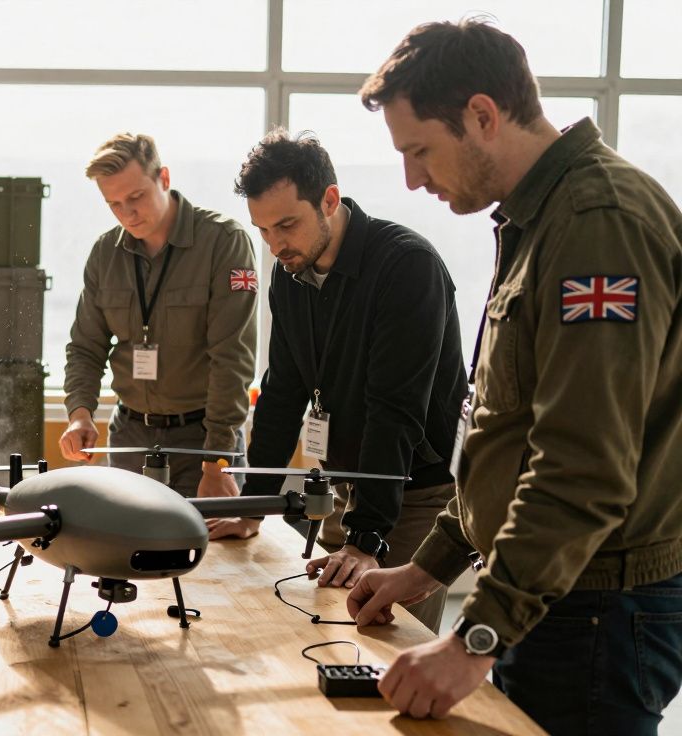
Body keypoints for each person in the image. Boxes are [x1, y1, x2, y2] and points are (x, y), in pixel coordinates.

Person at [350, 19, 682, 730]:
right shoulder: (544, 217)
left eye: (419, 151)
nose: (412, 179)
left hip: (594, 610)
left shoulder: (597, 222)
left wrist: (475, 638)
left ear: (482, 116)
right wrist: (428, 566)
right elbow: (510, 434)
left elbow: (582, 467)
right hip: (553, 593)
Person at [229, 129, 467, 633]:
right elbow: (283, 390)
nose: (275, 245)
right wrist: (254, 504)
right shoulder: (290, 272)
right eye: (263, 230)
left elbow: (395, 409)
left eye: (286, 225)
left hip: (417, 491)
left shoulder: (407, 266)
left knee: (384, 639)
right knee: (326, 633)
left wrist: (367, 538)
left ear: (329, 200)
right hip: (351, 488)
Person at [60, 132, 258, 505]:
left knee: (211, 543)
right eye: (114, 204)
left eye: (136, 197)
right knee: (123, 541)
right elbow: (86, 347)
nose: (127, 213)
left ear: (163, 178)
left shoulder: (223, 242)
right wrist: (80, 414)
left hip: (203, 439)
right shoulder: (105, 254)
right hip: (130, 437)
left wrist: (216, 462)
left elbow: (232, 359)